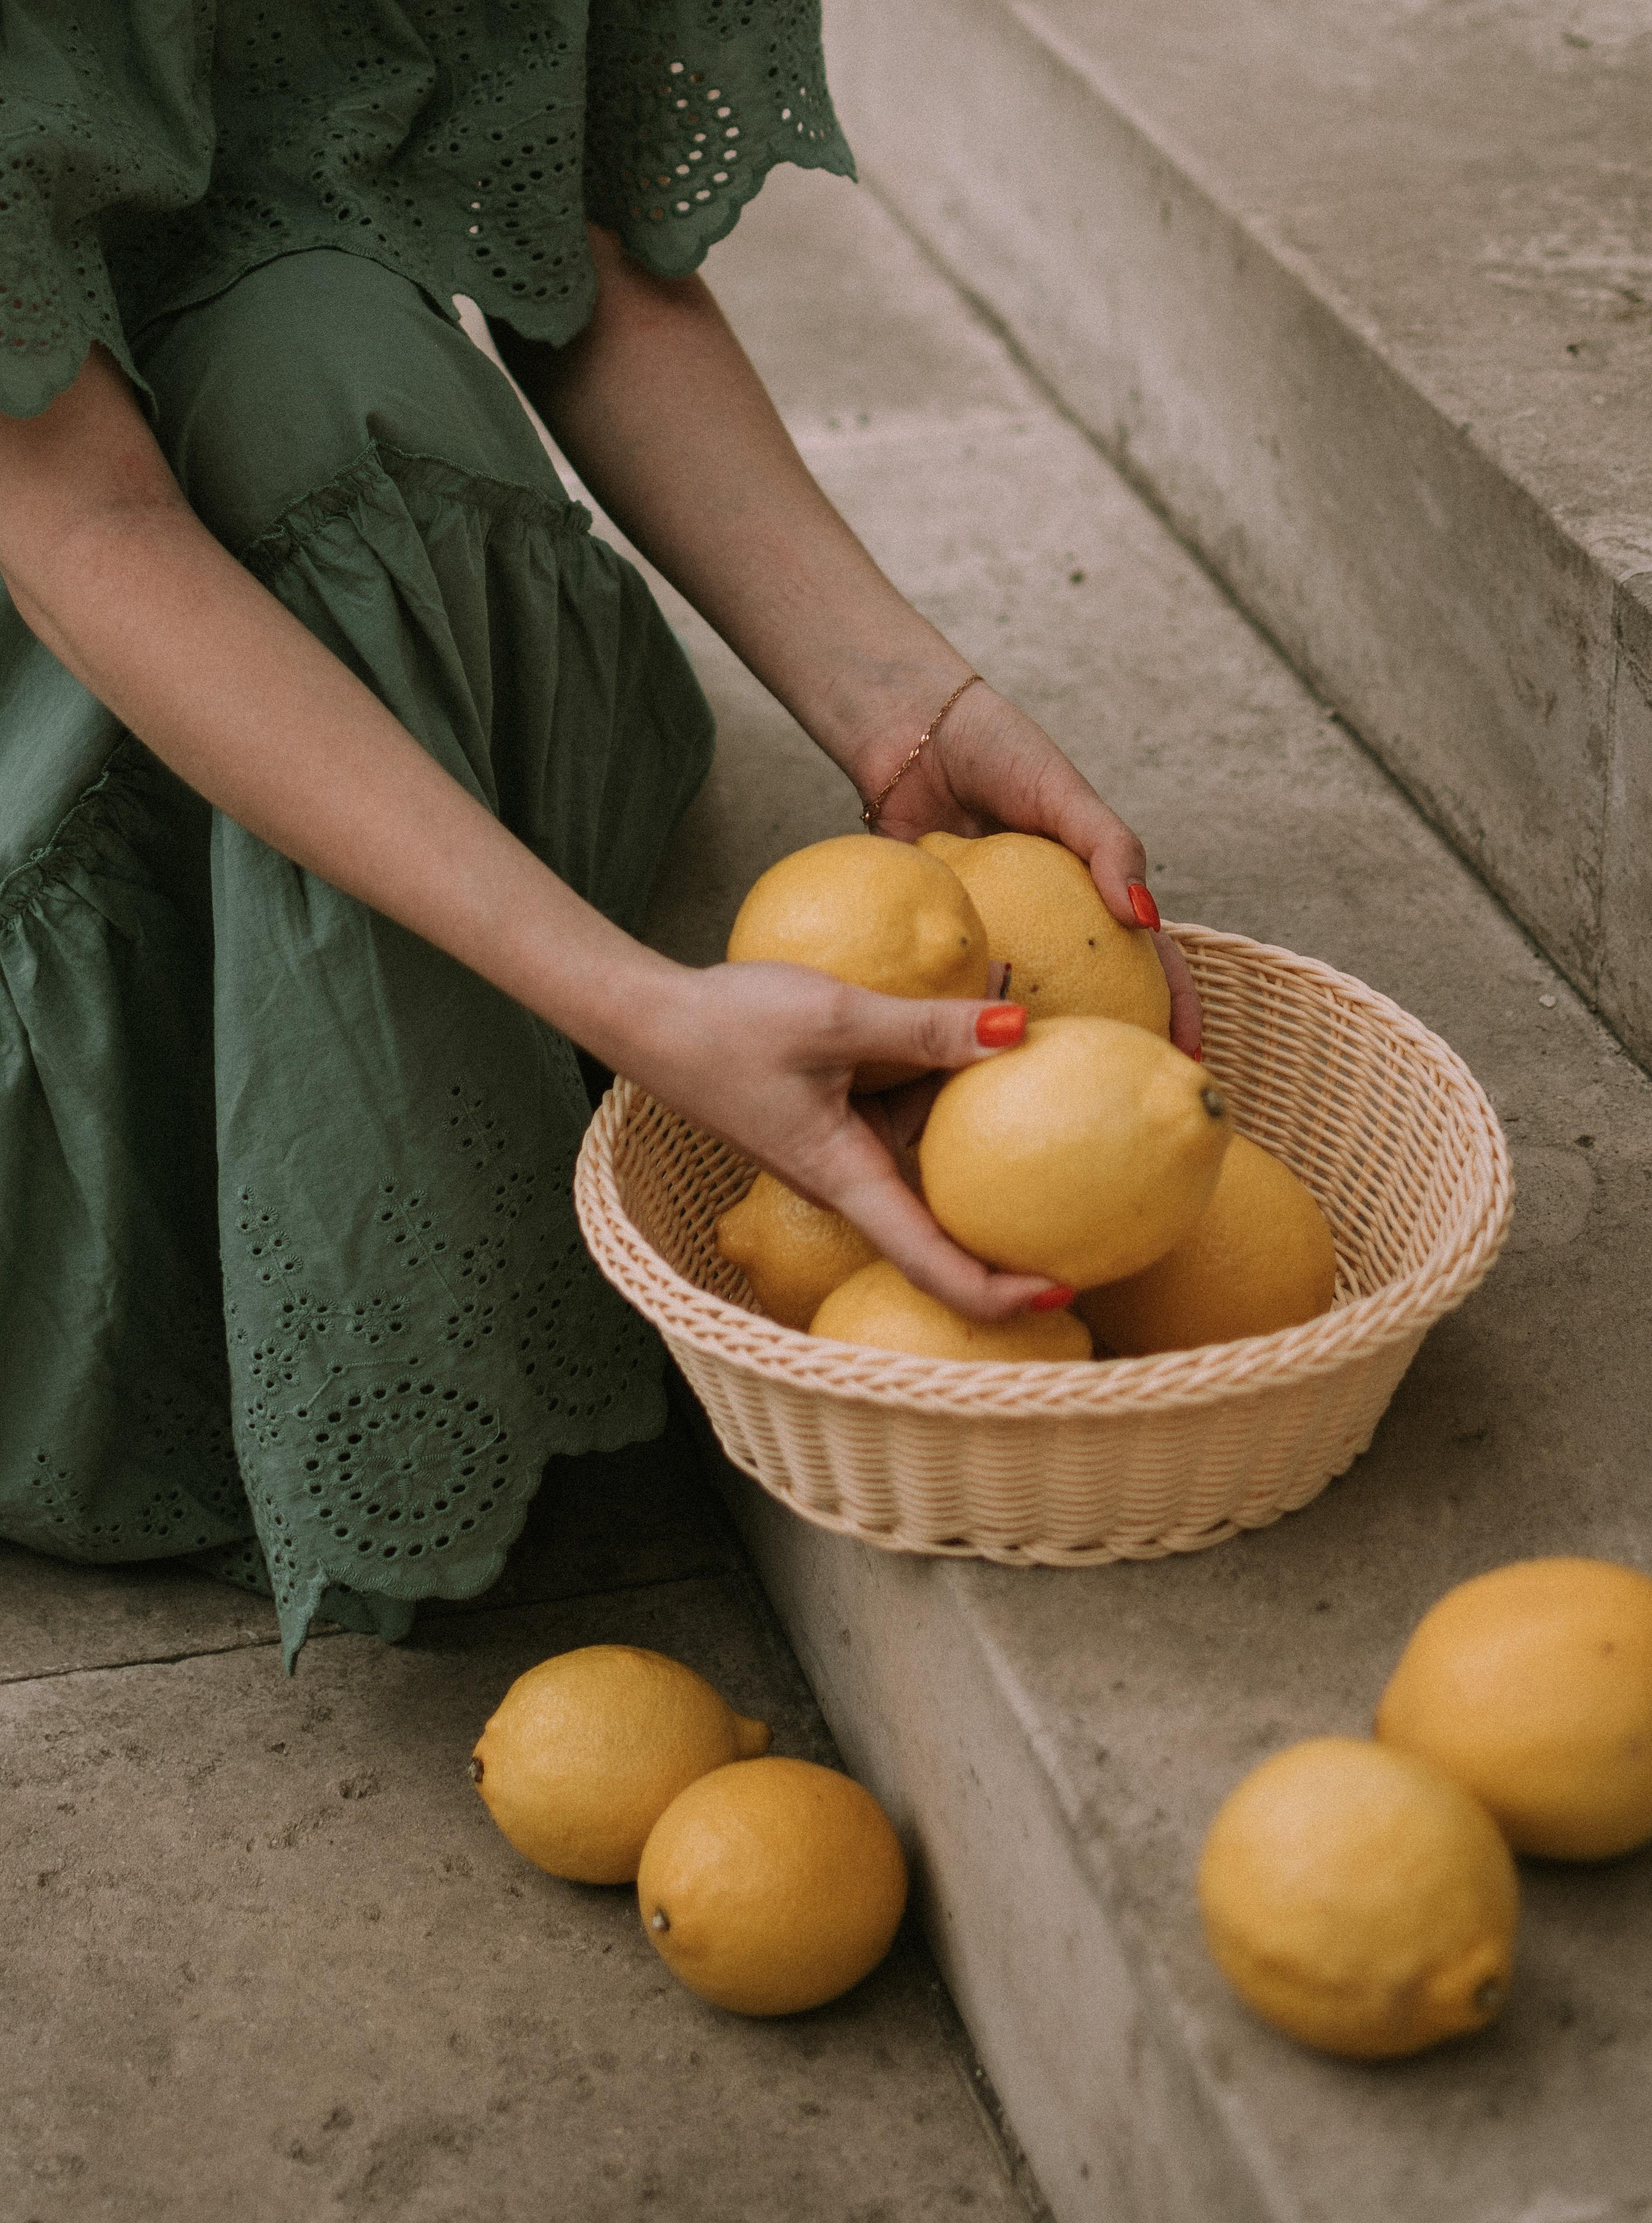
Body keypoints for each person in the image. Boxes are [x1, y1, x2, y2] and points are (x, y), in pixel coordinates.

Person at [0, 1, 1199, 1665]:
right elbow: (77, 510)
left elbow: (575, 249)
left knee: (322, 376)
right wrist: (641, 1006)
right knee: (298, 392)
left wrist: (908, 712)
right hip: (45, 535)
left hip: (275, 406)